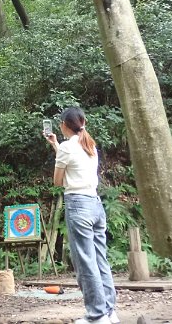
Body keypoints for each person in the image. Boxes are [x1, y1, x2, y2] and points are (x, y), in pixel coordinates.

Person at [44, 107, 119, 324]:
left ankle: (96, 316)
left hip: (78, 205)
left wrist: (59, 147)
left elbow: (58, 181)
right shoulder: (90, 145)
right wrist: (56, 145)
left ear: (63, 125)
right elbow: (74, 163)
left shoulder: (68, 147)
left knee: (86, 262)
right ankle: (109, 311)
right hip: (95, 205)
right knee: (100, 259)